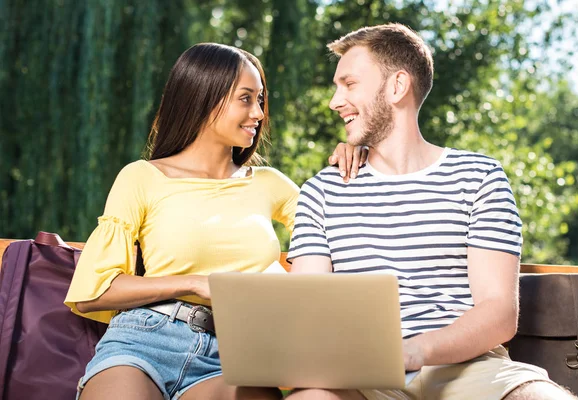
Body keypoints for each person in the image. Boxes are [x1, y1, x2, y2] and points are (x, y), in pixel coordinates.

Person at [286, 24, 578, 400]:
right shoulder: (321, 191)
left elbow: (499, 312)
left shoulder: (479, 177)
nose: (334, 101)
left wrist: (412, 351)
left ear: (397, 86)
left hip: (470, 368)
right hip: (362, 376)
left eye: (349, 84)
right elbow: (309, 306)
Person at [64, 43, 365, 400]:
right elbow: (94, 291)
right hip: (143, 341)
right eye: (246, 99)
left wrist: (359, 157)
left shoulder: (270, 184)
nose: (259, 112)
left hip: (238, 354)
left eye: (261, 99)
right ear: (204, 97)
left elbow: (345, 229)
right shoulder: (141, 177)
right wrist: (196, 283)